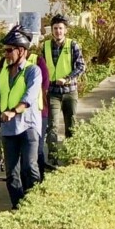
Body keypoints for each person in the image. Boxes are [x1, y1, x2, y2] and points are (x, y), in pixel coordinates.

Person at [0, 25, 43, 207]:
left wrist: (13, 111)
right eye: (5, 50)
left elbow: (29, 97)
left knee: (29, 167)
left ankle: (34, 205)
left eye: (9, 50)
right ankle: (18, 208)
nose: (6, 54)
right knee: (12, 173)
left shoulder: (32, 71)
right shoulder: (3, 72)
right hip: (8, 129)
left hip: (28, 126)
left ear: (21, 51)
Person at [39, 14, 86, 164]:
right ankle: (53, 156)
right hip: (52, 92)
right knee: (52, 126)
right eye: (55, 28)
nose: (58, 31)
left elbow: (81, 66)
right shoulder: (45, 46)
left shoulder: (73, 45)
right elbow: (41, 68)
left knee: (70, 124)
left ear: (65, 30)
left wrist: (67, 79)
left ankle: (71, 154)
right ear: (51, 30)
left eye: (60, 28)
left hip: (70, 91)